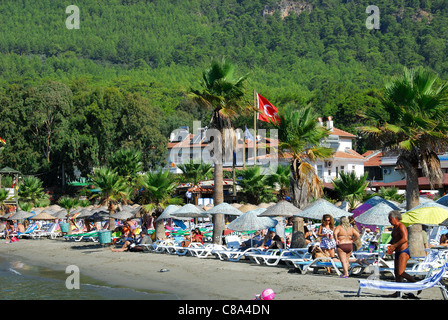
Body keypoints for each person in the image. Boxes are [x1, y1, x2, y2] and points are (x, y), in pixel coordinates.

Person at [387, 210, 419, 297]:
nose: (389, 221)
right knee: (396, 273)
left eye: (390, 219)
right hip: (397, 251)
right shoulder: (395, 228)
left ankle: (417, 285)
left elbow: (405, 239)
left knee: (401, 272)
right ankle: (398, 292)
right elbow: (394, 239)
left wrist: (394, 246)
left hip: (403, 252)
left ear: (395, 218)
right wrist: (389, 245)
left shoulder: (401, 226)